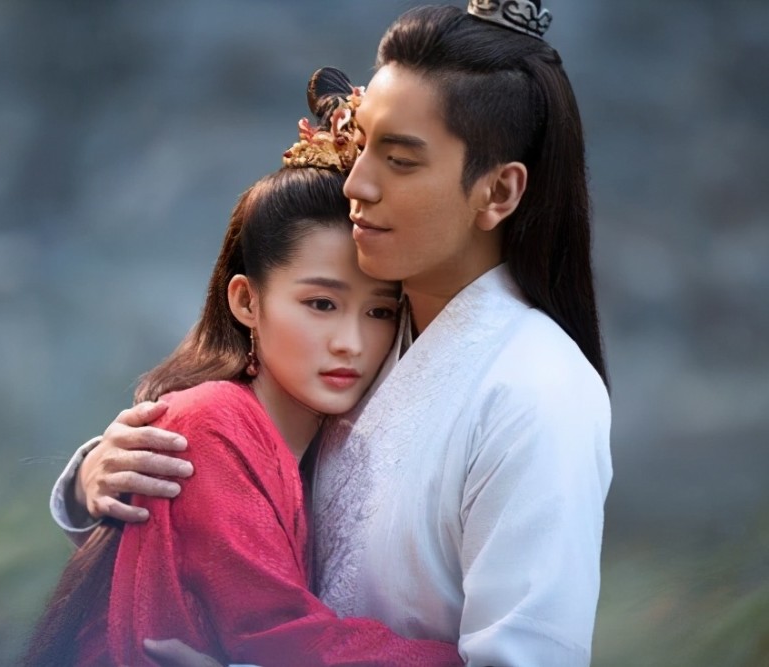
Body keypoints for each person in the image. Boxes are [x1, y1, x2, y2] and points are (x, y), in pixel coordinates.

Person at [52, 3, 613, 666]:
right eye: (362, 143)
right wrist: (105, 478)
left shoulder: (538, 392)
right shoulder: (376, 333)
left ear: (498, 192)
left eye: (399, 160)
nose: (357, 183)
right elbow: (238, 518)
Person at [26, 69, 463, 666]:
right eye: (321, 304)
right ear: (246, 301)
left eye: (381, 311)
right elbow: (279, 636)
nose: (351, 343)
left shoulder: (331, 440)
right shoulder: (212, 422)